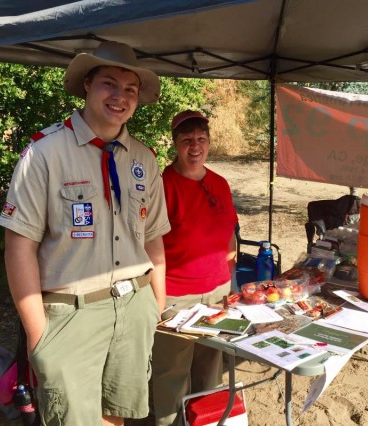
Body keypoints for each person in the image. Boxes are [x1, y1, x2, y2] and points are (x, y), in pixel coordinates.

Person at [0, 41, 171, 426]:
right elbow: (18, 246)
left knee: (117, 415)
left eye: (130, 89)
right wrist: (37, 334)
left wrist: (155, 303)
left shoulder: (144, 158)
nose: (120, 97)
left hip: (134, 306)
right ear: (88, 85)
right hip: (69, 315)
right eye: (110, 84)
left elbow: (153, 236)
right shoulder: (45, 153)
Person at [151, 110, 238, 426]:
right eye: (187, 140)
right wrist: (158, 300)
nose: (195, 146)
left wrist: (232, 282)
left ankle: (204, 420)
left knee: (210, 366)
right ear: (175, 144)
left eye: (201, 139)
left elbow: (229, 235)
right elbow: (150, 245)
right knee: (171, 374)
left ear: (209, 142)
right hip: (176, 296)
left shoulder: (220, 183)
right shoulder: (163, 186)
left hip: (217, 292)